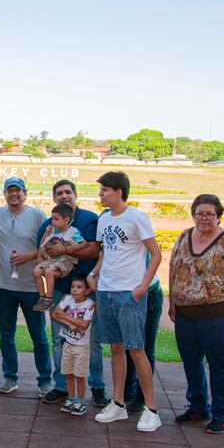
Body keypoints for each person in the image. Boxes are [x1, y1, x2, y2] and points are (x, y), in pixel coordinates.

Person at [169, 194, 224, 434]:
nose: (204, 218)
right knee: (191, 362)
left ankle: (222, 414)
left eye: (209, 214)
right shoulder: (184, 236)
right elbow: (173, 268)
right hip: (186, 313)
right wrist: (173, 301)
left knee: (218, 365)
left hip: (218, 314)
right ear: (193, 214)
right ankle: (197, 406)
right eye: (199, 213)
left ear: (218, 216)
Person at [88, 171, 162, 432]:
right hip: (106, 291)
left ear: (118, 191)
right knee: (116, 349)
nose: (100, 194)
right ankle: (117, 403)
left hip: (128, 293)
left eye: (104, 190)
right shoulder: (104, 219)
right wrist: (94, 274)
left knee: (137, 350)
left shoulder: (137, 217)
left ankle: (151, 409)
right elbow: (107, 252)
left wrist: (142, 286)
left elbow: (155, 254)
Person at [37, 180, 108, 408]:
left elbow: (93, 249)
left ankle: (97, 387)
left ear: (75, 195)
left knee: (92, 340)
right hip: (59, 290)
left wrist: (65, 250)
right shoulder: (50, 224)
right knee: (59, 339)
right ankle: (61, 386)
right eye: (59, 193)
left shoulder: (89, 219)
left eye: (68, 192)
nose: (64, 196)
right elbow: (42, 252)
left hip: (87, 292)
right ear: (54, 198)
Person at [0, 177, 52, 397]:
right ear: (5, 193)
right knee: (6, 334)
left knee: (38, 336)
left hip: (31, 287)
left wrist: (29, 256)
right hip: (4, 286)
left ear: (25, 193)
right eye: (10, 191)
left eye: (18, 191)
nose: (14, 195)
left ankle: (44, 380)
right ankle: (10, 377)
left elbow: (48, 248)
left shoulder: (37, 215)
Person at [124, 256, 164, 413]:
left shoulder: (139, 233)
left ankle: (142, 397)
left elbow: (153, 258)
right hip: (128, 294)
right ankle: (127, 392)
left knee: (144, 348)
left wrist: (142, 288)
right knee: (128, 346)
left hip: (148, 294)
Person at [51, 275, 95, 416]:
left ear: (87, 291)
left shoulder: (89, 304)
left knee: (79, 375)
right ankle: (71, 399)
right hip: (68, 344)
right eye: (73, 287)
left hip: (81, 346)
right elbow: (55, 315)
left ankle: (81, 402)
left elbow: (84, 324)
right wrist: (70, 323)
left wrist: (65, 316)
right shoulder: (67, 299)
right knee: (68, 373)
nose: (75, 290)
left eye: (79, 287)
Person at [32, 203, 87, 311]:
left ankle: (49, 298)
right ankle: (42, 297)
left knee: (48, 272)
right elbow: (42, 245)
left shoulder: (73, 232)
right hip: (53, 260)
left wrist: (74, 249)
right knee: (36, 272)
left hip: (66, 261)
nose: (53, 222)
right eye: (53, 219)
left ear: (66, 220)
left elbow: (84, 243)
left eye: (56, 219)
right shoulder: (53, 231)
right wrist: (46, 234)